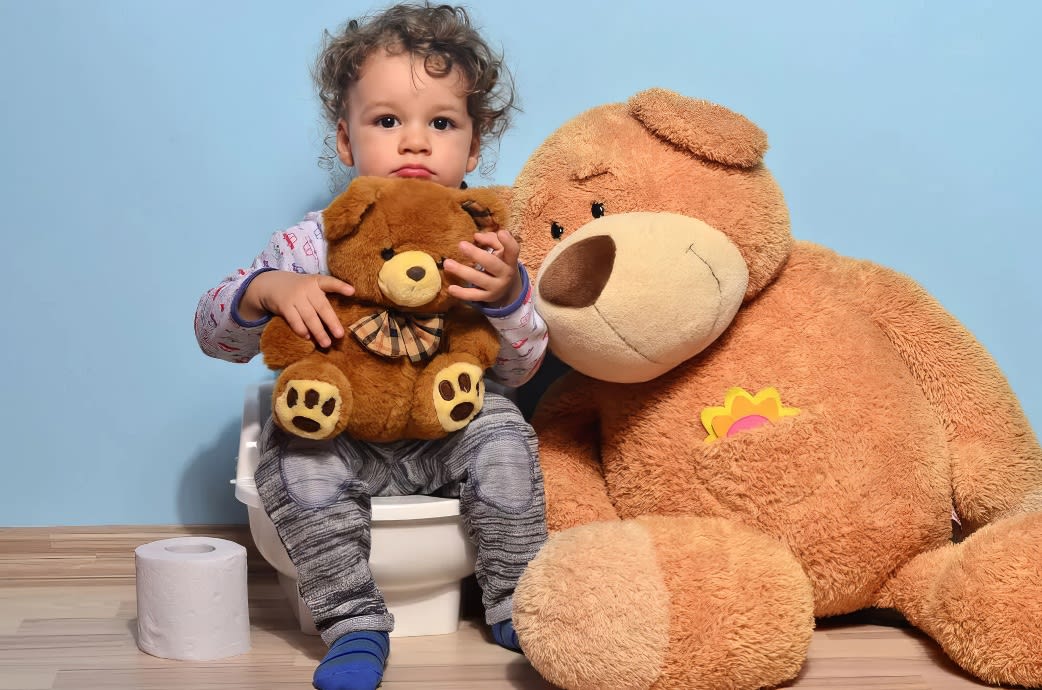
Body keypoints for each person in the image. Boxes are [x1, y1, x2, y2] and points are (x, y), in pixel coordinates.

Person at [193, 4, 549, 689]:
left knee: (504, 430)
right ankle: (352, 621)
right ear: (347, 140)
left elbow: (521, 368)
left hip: (444, 437)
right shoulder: (309, 243)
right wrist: (266, 289)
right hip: (344, 434)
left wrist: (507, 299)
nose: (415, 143)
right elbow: (215, 335)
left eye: (441, 123)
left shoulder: (484, 248)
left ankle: (514, 597)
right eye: (387, 120)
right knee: (294, 461)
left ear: (473, 149)